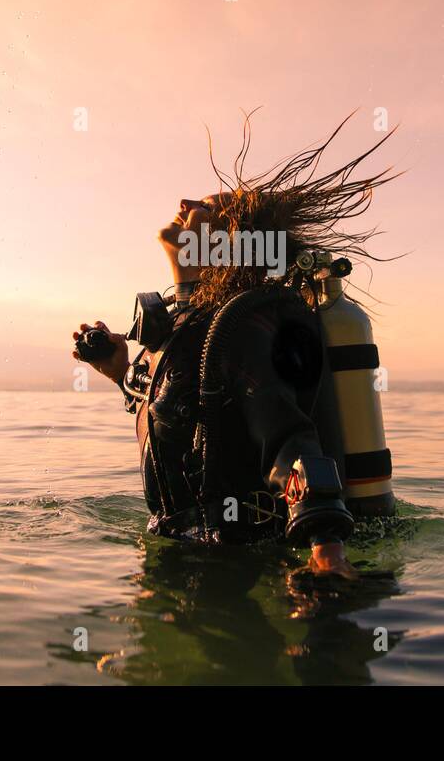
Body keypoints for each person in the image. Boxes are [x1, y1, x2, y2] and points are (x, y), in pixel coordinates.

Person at [72, 122, 397, 578]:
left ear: (229, 244)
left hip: (231, 566)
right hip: (183, 558)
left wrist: (326, 546)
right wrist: (119, 373)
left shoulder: (239, 328)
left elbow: (288, 435)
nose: (184, 204)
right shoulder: (181, 333)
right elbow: (187, 418)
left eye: (203, 208)